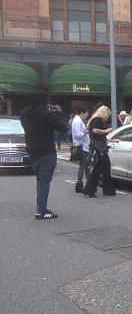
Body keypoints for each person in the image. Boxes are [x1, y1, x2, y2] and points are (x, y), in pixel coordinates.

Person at [19, 91, 68, 219]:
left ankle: (41, 207)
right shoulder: (48, 114)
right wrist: (57, 112)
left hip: (32, 150)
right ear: (45, 101)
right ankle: (41, 210)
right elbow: (63, 127)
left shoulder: (24, 113)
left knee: (40, 180)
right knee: (44, 181)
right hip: (47, 151)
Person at [83, 106, 116, 197]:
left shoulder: (94, 119)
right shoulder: (98, 120)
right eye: (108, 115)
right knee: (100, 168)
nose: (108, 117)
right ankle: (91, 190)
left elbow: (95, 132)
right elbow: (95, 131)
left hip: (98, 146)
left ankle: (106, 190)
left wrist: (109, 139)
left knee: (103, 168)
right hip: (99, 148)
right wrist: (107, 131)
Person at [71, 106, 90, 193]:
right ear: (82, 113)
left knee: (84, 166)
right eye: (86, 113)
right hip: (82, 146)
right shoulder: (78, 121)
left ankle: (86, 184)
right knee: (84, 166)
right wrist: (85, 132)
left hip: (80, 146)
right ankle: (80, 184)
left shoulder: (76, 120)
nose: (87, 115)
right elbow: (78, 135)